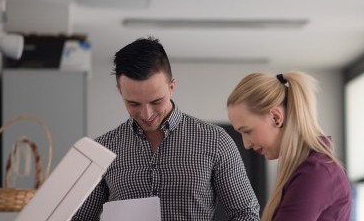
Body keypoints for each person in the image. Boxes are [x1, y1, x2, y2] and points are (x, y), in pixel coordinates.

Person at [72, 37, 260, 220]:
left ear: (171, 87)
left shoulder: (215, 141)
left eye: (156, 101)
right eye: (133, 103)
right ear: (120, 91)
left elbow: (246, 214)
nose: (146, 114)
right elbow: (80, 217)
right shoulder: (103, 149)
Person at [227, 72, 351, 221]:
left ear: (276, 117)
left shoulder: (316, 171)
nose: (246, 144)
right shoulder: (305, 169)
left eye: (247, 131)